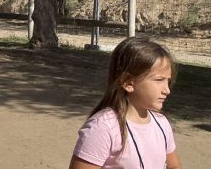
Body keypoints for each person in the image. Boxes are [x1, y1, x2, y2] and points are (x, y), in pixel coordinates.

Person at [69, 38, 181, 169]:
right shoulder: (103, 127)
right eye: (159, 80)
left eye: (168, 81)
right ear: (128, 82)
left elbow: (174, 166)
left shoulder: (161, 123)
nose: (167, 90)